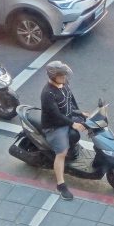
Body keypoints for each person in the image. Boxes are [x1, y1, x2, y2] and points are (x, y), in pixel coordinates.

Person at [40, 61, 87, 201]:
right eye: (62, 76)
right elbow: (56, 115)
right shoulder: (47, 93)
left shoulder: (64, 84)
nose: (65, 78)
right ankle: (60, 185)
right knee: (62, 153)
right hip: (55, 126)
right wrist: (73, 123)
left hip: (67, 119)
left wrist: (81, 113)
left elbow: (71, 102)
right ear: (53, 76)